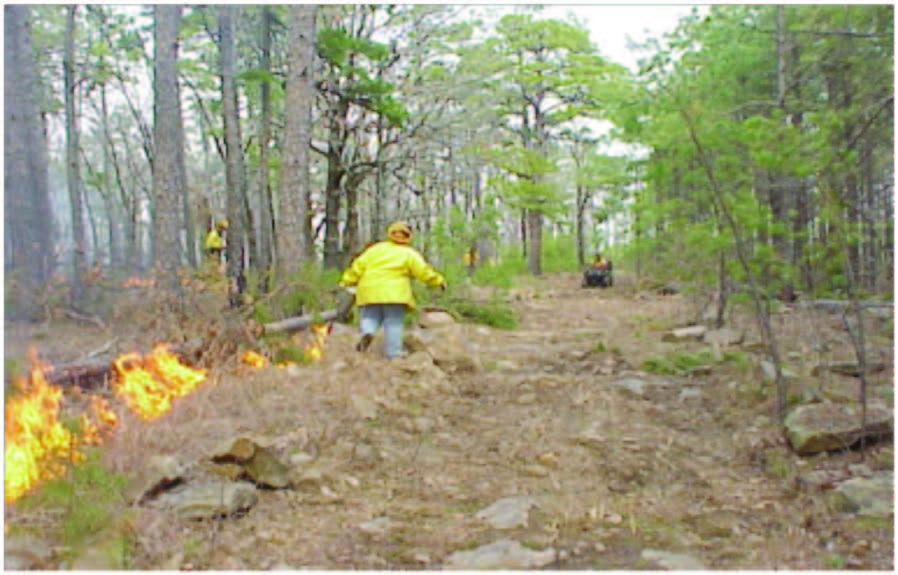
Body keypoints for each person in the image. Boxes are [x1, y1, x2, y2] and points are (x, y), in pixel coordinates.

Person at [340, 221, 446, 359]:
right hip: (395, 294)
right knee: (393, 322)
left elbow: (357, 266)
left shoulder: (374, 250)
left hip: (368, 291)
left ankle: (368, 332)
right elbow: (423, 271)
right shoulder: (409, 253)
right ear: (407, 236)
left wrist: (346, 281)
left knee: (369, 317)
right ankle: (393, 354)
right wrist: (438, 281)